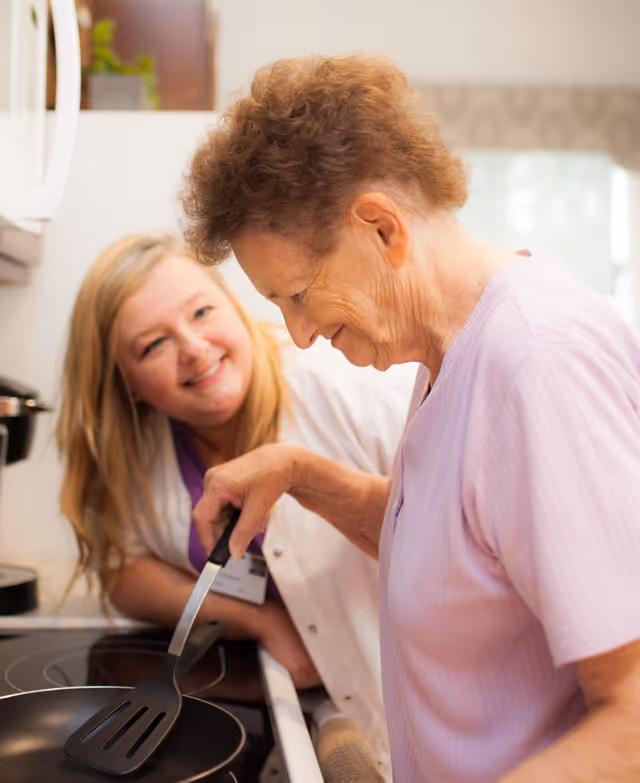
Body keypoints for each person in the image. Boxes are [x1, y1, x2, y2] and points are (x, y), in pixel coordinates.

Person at [180, 55, 640, 783]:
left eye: (298, 294)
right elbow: (460, 549)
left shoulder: (538, 362)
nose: (297, 335)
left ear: (380, 228)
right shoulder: (449, 357)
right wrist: (299, 472)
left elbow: (632, 725)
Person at [56, 233, 416, 776]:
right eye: (153, 345)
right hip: (295, 709)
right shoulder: (140, 444)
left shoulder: (349, 388)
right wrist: (260, 620)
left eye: (202, 312)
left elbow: (454, 534)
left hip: (403, 708)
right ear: (127, 385)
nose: (195, 348)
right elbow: (124, 571)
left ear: (236, 308)